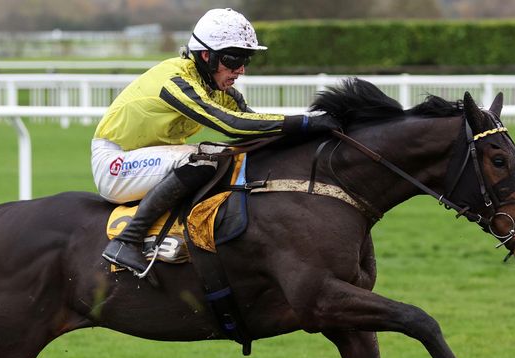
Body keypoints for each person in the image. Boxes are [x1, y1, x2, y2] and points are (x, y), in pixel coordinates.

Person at [92, 7, 340, 277]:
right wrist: (305, 122)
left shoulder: (218, 89)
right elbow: (232, 124)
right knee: (204, 159)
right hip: (116, 164)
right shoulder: (176, 81)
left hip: (151, 158)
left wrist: (313, 134)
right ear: (206, 55)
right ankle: (127, 240)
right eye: (233, 59)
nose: (241, 69)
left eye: (245, 59)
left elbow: (256, 128)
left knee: (222, 155)